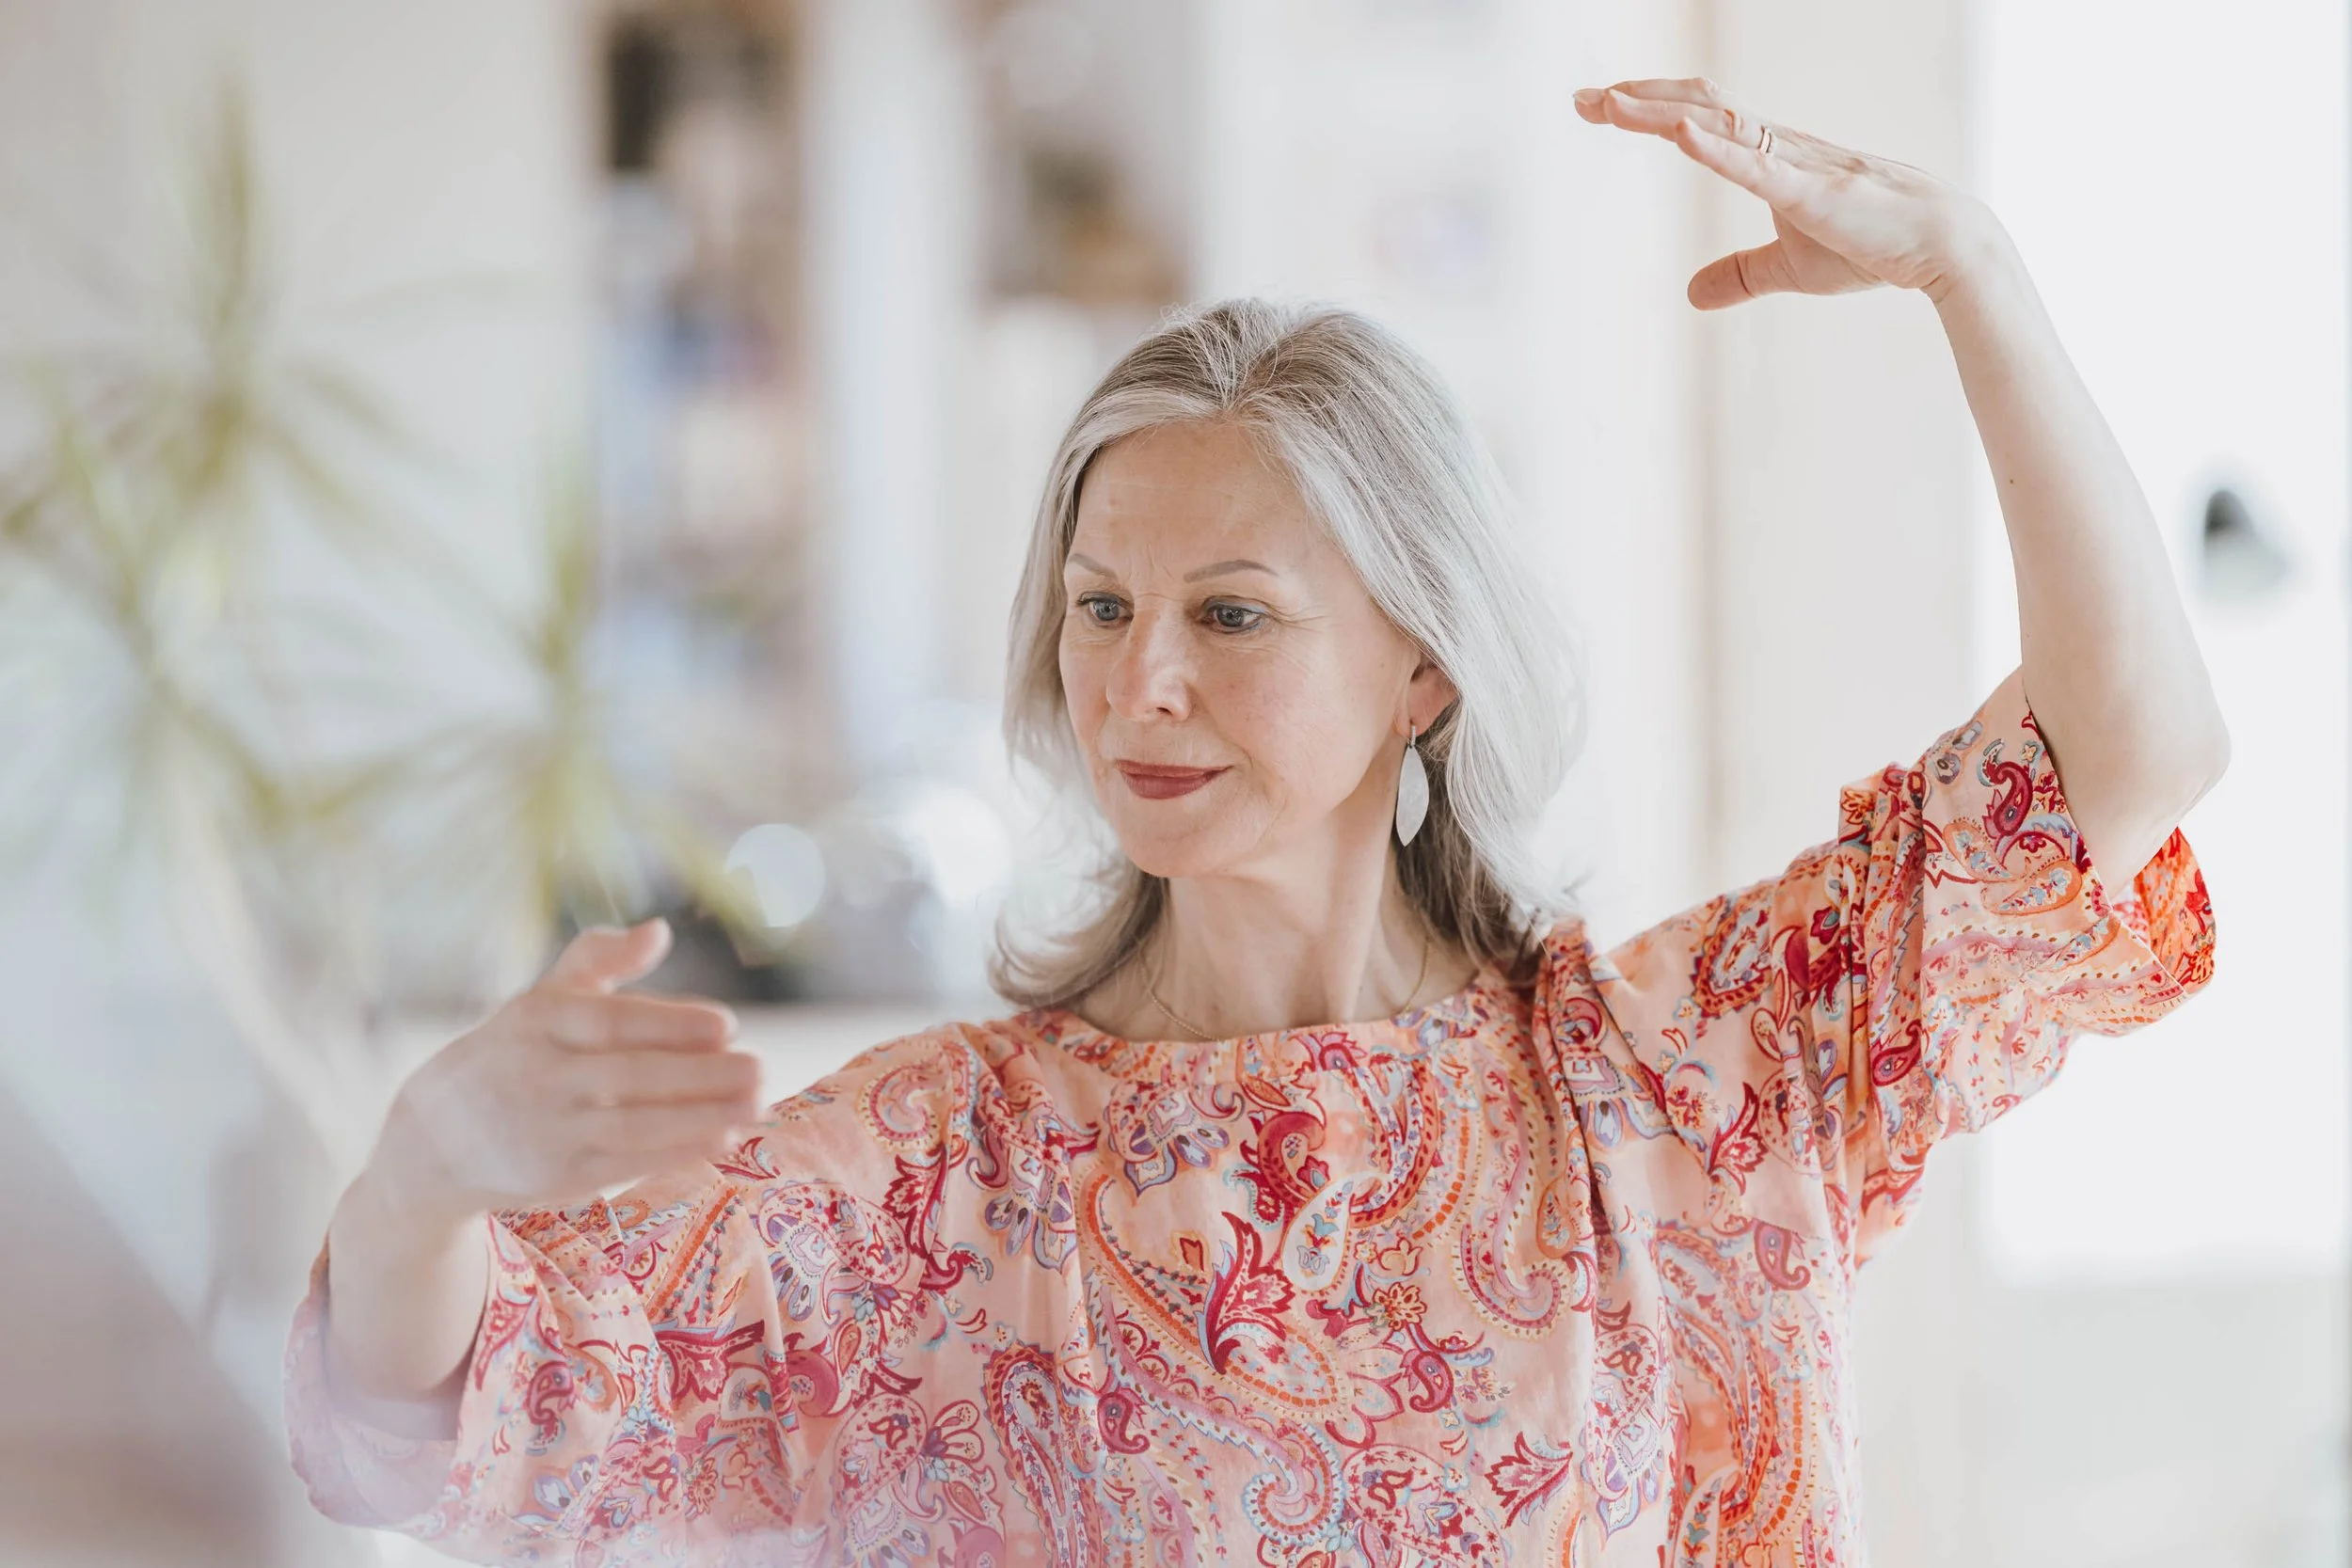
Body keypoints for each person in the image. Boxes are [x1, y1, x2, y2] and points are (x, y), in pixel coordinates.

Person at [283, 76, 2222, 1566]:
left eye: (1230, 613)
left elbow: (2129, 754)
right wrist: (422, 1171)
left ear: (1423, 669)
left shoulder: (1685, 1075)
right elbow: (452, 1415)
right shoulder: (950, 1165)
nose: (1138, 681)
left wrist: (1971, 272)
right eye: (1101, 604)